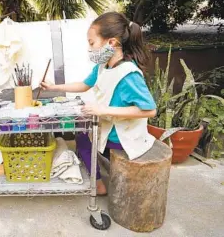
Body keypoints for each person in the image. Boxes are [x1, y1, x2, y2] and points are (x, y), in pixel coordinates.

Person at [41, 12, 157, 195]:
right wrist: (53, 87)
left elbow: (150, 110)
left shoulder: (128, 73)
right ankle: (96, 177)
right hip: (110, 126)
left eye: (92, 43)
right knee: (81, 130)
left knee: (81, 136)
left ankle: (98, 185)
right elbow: (84, 85)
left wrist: (102, 109)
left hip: (121, 136)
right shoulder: (103, 66)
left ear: (111, 42)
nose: (90, 49)